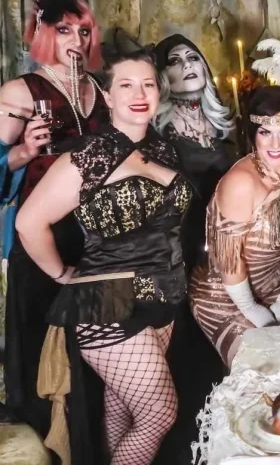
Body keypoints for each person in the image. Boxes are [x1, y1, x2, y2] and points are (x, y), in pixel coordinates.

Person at [16, 50, 192, 465]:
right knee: (159, 414)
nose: (139, 94)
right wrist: (61, 273)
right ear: (108, 97)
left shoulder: (163, 150)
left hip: (162, 296)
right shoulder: (89, 155)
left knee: (121, 408)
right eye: (126, 85)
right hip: (106, 301)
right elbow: (29, 222)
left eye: (148, 84)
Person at [0, 0, 108, 435]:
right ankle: (46, 434)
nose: (76, 41)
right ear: (43, 32)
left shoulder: (101, 90)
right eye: (64, 30)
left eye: (83, 31)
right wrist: (24, 151)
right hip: (41, 235)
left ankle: (87, 432)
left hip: (95, 236)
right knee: (41, 338)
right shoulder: (20, 92)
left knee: (91, 344)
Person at [189, 85, 280, 367]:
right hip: (227, 297)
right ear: (252, 134)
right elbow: (228, 259)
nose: (275, 144)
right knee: (266, 372)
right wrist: (252, 309)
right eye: (265, 132)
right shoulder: (241, 183)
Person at [152, 33, 233, 465]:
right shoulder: (157, 135)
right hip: (179, 260)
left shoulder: (224, 128)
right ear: (162, 75)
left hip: (223, 257)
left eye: (193, 57)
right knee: (187, 361)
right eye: (175, 60)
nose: (187, 65)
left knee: (220, 361)